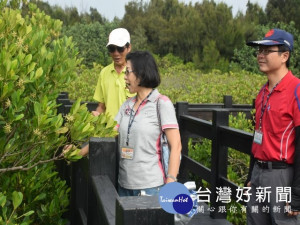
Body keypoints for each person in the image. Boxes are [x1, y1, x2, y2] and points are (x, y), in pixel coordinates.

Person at [245, 28, 300, 224]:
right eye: (259, 50)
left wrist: (296, 193)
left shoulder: (296, 90)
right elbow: (257, 135)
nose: (261, 55)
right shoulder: (263, 92)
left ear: (285, 55)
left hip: (281, 176)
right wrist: (251, 175)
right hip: (258, 174)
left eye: (268, 51)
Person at [115, 50, 182, 197]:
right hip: (123, 185)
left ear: (140, 74)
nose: (125, 78)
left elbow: (176, 145)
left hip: (151, 187)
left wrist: (171, 180)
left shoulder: (162, 103)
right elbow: (107, 133)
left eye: (128, 72)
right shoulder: (126, 105)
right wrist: (77, 152)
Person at [92, 28, 135, 118]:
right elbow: (101, 106)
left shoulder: (138, 72)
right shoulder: (104, 73)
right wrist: (97, 114)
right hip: (109, 131)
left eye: (120, 49)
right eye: (112, 49)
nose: (116, 53)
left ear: (129, 48)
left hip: (132, 130)